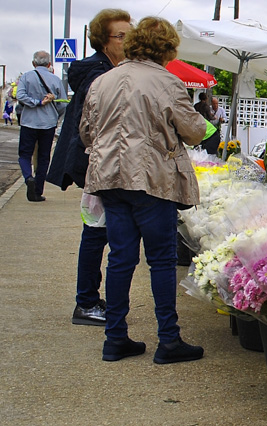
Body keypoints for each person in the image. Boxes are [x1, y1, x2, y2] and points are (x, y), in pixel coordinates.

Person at [80, 16, 208, 364]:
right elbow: (195, 131)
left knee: (121, 259)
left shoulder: (103, 81)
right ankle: (168, 340)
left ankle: (115, 338)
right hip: (151, 179)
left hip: (109, 178)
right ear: (167, 48)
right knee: (162, 260)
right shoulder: (167, 82)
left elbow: (86, 132)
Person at [46, 8, 132, 328]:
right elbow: (96, 125)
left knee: (99, 232)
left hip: (101, 164)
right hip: (101, 166)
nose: (127, 41)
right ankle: (86, 302)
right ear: (103, 41)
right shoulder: (100, 74)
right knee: (97, 233)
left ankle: (90, 298)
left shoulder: (107, 69)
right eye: (120, 36)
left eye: (129, 35)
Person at [16, 51, 65, 203]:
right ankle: (37, 192)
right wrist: (54, 114)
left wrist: (35, 102)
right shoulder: (56, 80)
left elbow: (20, 96)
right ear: (49, 64)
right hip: (48, 124)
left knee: (24, 154)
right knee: (44, 158)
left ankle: (28, 177)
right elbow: (62, 104)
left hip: (28, 123)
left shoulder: (26, 77)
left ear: (33, 63)